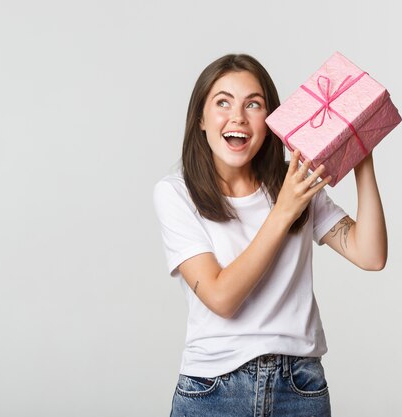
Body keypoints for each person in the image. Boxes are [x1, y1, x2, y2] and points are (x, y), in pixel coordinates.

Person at [153, 53, 387, 417]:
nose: (238, 117)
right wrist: (283, 211)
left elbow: (370, 255)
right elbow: (221, 297)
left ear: (270, 120)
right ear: (200, 118)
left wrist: (361, 157)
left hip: (300, 387)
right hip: (213, 390)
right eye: (222, 103)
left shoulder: (294, 182)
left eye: (254, 104)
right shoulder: (176, 193)